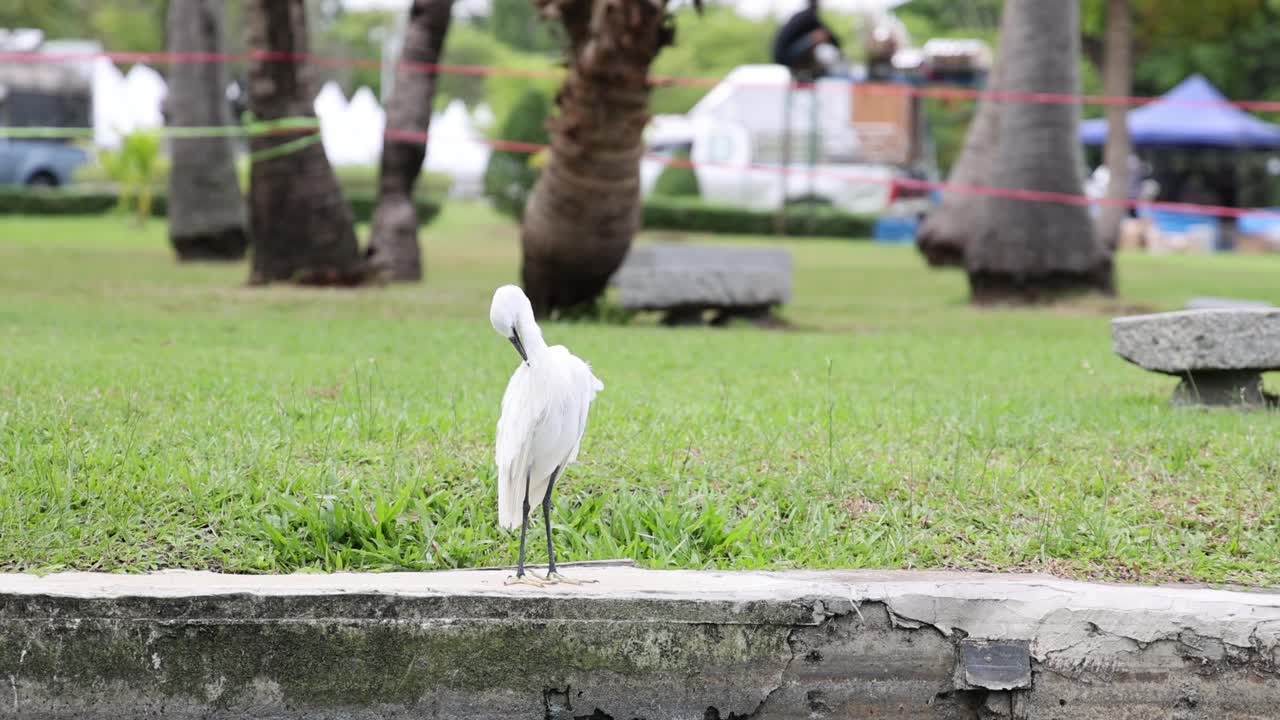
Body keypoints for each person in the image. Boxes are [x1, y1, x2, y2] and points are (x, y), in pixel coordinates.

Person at [771, 0, 844, 78]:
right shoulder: (808, 16)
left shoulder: (802, 16)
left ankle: (811, 71)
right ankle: (814, 71)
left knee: (817, 36)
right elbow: (831, 36)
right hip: (785, 56)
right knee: (819, 36)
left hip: (782, 55)